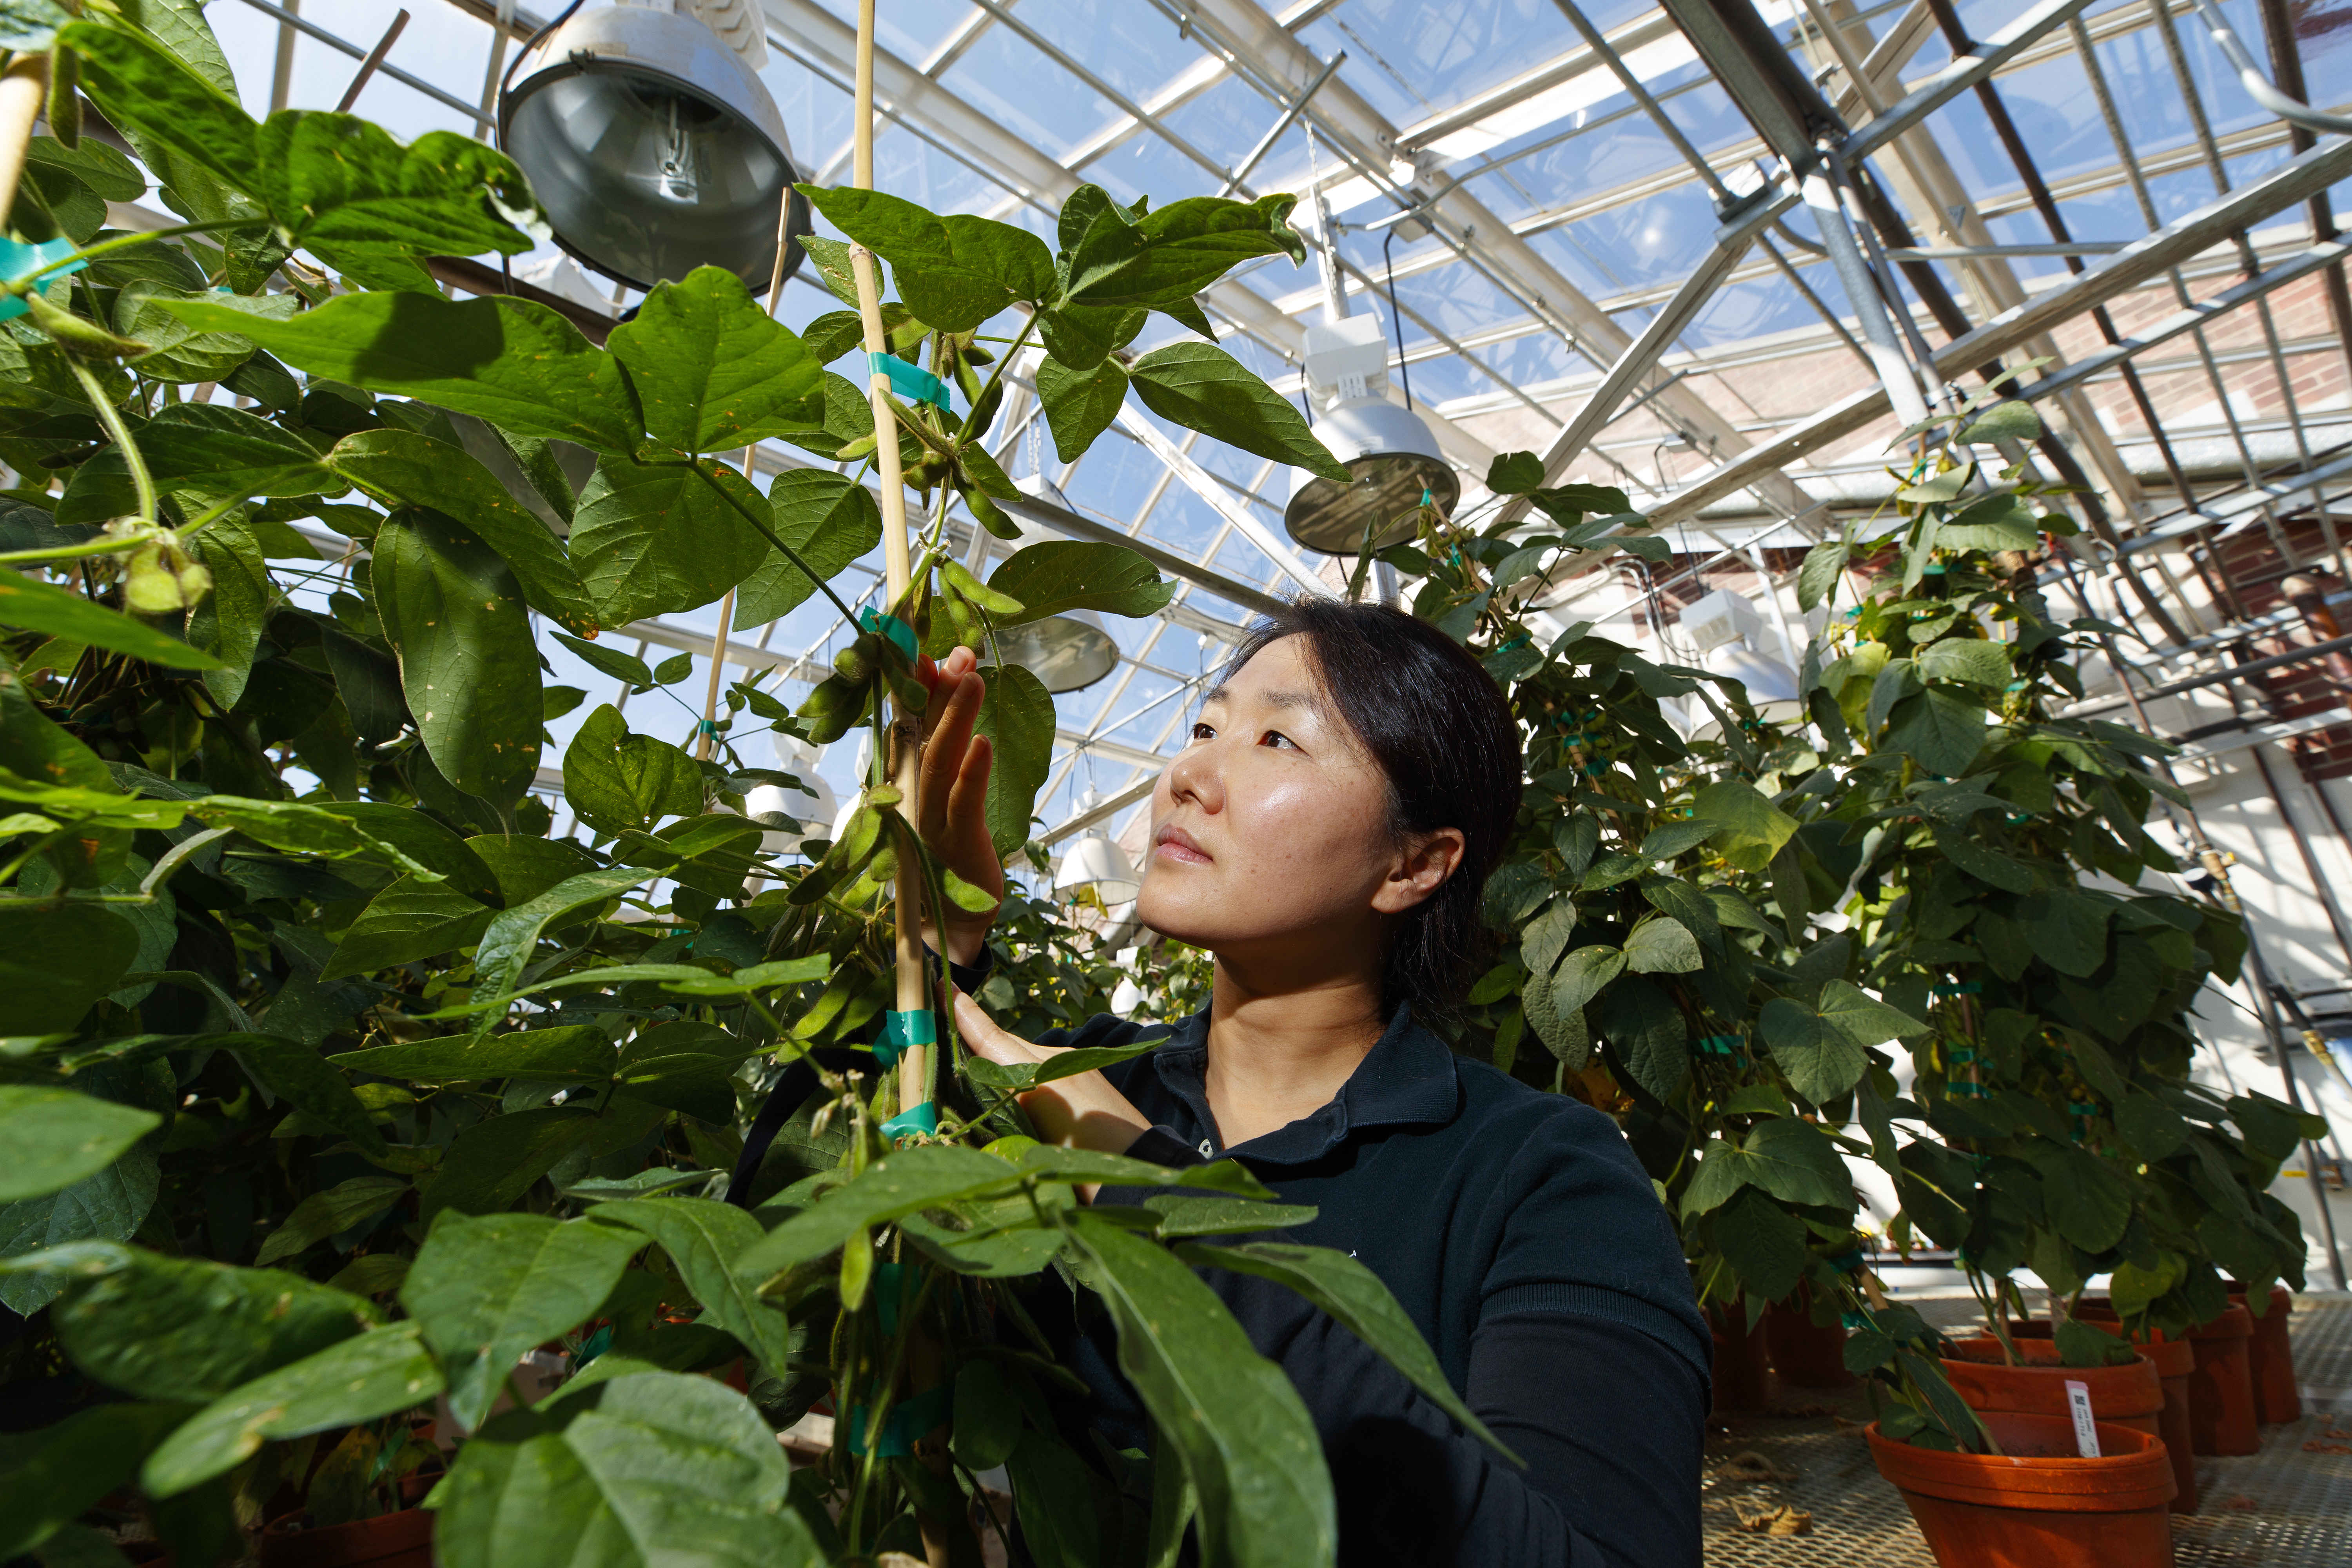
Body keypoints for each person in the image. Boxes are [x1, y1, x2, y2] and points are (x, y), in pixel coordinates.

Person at [743, 600, 1709, 1566]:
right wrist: (935, 947)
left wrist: (1143, 1193)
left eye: (1278, 738)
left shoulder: (1539, 1173)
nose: (1188, 774)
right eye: (1205, 726)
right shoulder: (1083, 1076)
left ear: (1416, 862)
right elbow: (774, 1242)